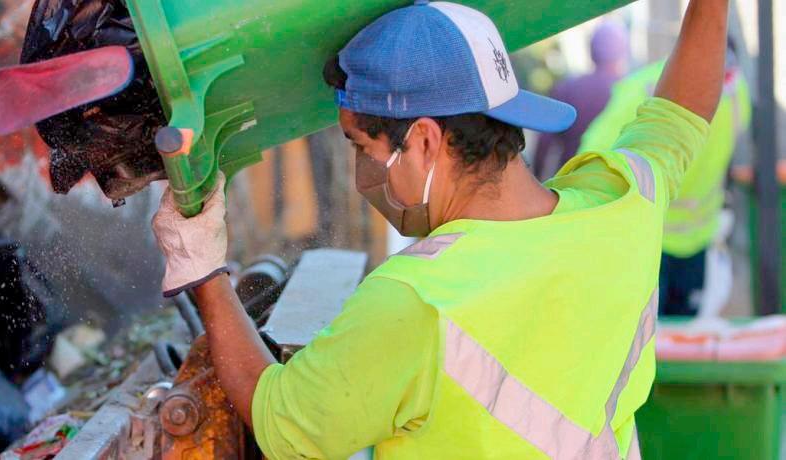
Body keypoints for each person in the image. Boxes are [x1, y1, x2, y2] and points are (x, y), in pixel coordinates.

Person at [151, 0, 729, 458]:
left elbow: (283, 425)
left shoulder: (417, 300)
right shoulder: (623, 203)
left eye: (361, 147)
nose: (360, 175)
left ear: (425, 140)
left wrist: (204, 271)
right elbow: (681, 115)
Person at [578, 50, 751, 316]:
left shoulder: (643, 86)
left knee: (644, 332)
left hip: (645, 238)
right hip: (694, 237)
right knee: (682, 330)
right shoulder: (737, 94)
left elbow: (590, 157)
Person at [532, 21, 630, 180]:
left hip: (570, 183)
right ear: (623, 52)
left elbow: (544, 144)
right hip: (616, 186)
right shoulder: (631, 93)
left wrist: (537, 179)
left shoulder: (567, 88)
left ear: (591, 51)